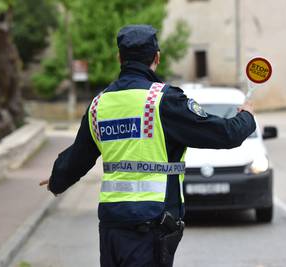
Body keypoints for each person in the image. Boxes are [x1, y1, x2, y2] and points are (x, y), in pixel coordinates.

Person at [40, 24, 256, 267]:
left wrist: (56, 180)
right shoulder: (162, 101)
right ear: (157, 58)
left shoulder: (99, 104)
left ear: (120, 58)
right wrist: (246, 116)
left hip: (111, 227)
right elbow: (225, 134)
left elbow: (79, 156)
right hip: (151, 224)